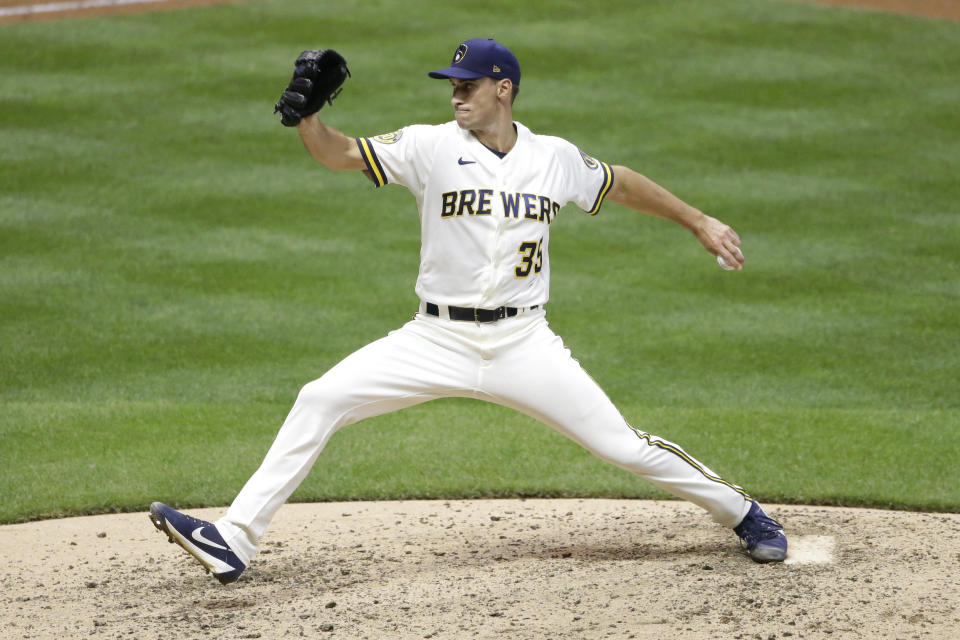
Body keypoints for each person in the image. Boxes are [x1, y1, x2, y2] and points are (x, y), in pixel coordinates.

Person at [149, 38, 786, 584]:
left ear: (503, 89)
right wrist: (308, 118)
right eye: (452, 85)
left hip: (524, 344)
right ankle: (234, 541)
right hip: (433, 338)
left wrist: (698, 220)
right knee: (321, 397)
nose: (456, 95)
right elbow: (339, 153)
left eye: (469, 85)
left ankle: (743, 512)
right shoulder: (429, 146)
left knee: (621, 444)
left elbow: (616, 181)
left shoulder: (553, 158)